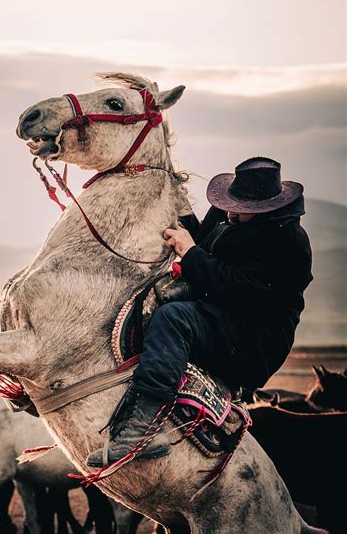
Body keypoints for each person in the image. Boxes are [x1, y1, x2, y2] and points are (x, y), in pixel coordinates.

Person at [86, 157, 313, 468]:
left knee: (173, 318)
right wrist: (176, 204)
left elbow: (241, 288)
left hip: (254, 338)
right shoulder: (232, 217)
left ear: (266, 210)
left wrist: (190, 252)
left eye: (240, 207)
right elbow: (202, 239)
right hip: (226, 316)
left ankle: (143, 430)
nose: (230, 211)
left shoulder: (289, 243)